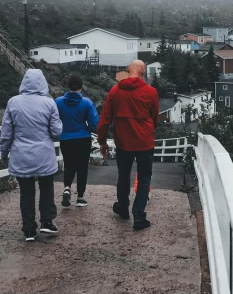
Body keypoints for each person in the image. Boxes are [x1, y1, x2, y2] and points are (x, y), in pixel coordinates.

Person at [0, 69, 63, 241]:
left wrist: (4, 152)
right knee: (46, 187)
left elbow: (6, 133)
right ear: (43, 82)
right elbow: (57, 132)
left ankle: (28, 229)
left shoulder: (13, 102)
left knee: (26, 192)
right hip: (44, 154)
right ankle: (47, 222)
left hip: (21, 155)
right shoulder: (49, 103)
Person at [96, 60, 159, 230]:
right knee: (144, 178)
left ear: (129, 70)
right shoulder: (151, 92)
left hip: (123, 142)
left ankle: (123, 208)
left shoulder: (115, 91)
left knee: (123, 175)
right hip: (145, 142)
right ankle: (139, 216)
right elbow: (155, 118)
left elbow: (104, 120)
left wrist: (102, 142)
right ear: (143, 71)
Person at [55, 74, 99, 208]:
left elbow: (53, 120)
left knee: (69, 165)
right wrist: (87, 128)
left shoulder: (58, 102)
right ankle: (80, 197)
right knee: (82, 167)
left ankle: (67, 188)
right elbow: (94, 123)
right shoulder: (86, 103)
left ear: (68, 85)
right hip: (83, 138)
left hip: (66, 138)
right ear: (81, 86)